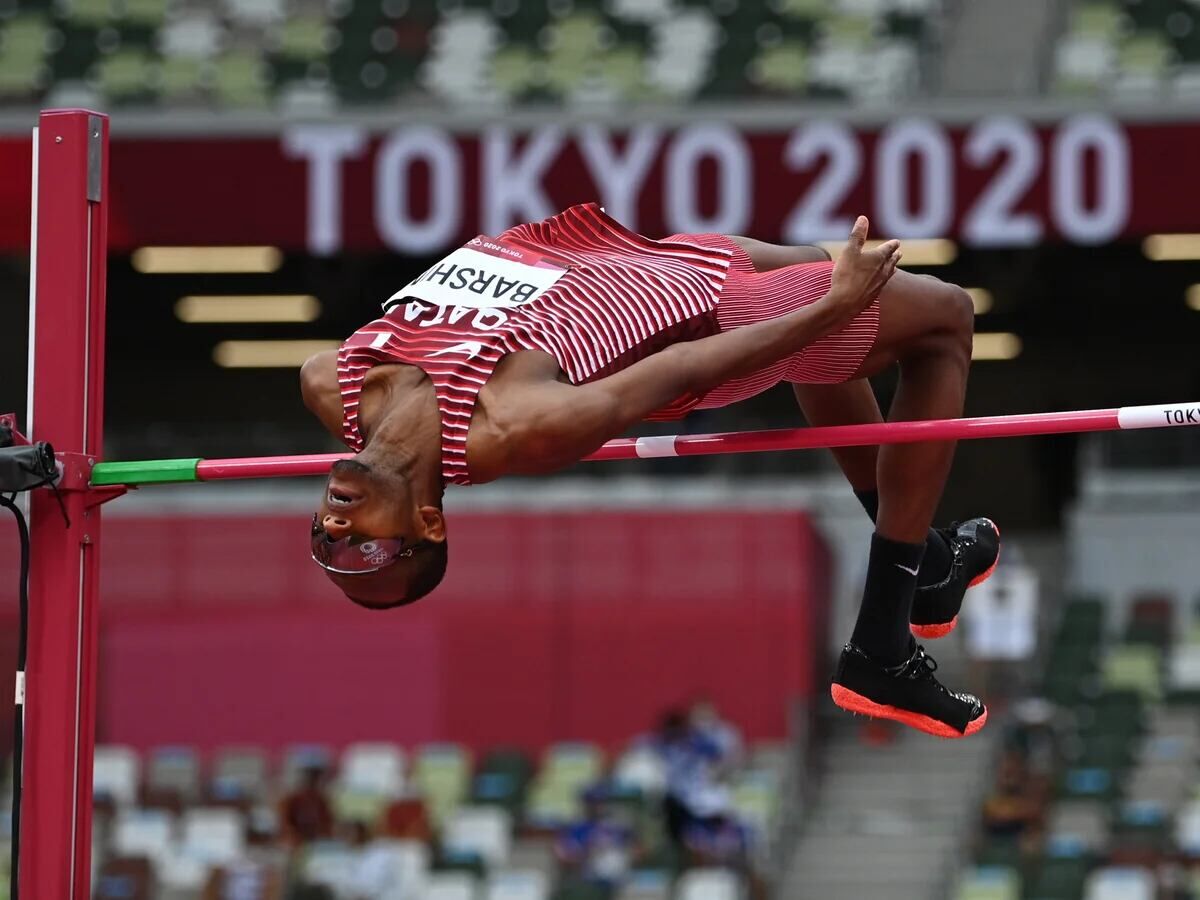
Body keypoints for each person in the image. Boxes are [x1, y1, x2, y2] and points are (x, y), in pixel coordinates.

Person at [301, 204, 1000, 737]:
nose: (337, 528)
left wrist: (828, 308)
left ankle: (930, 570)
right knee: (942, 316)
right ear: (428, 520)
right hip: (701, 321)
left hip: (620, 264)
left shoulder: (331, 384)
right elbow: (680, 370)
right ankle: (882, 646)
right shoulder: (512, 427)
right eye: (366, 548)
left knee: (828, 279)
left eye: (327, 543)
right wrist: (829, 311)